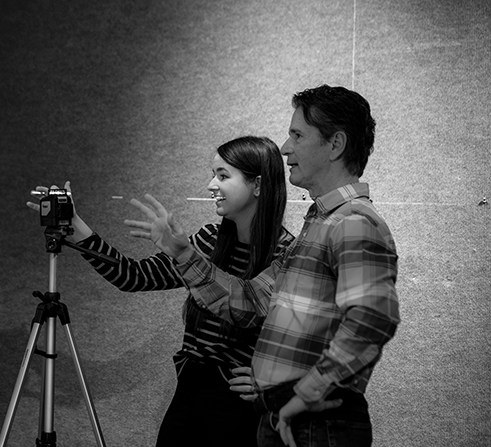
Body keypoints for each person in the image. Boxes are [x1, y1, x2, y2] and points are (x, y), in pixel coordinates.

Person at [125, 85, 400, 447]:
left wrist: (305, 392)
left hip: (319, 424)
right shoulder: (320, 223)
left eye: (297, 135)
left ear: (335, 145)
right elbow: (250, 302)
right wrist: (181, 252)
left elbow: (372, 321)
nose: (285, 147)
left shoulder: (353, 222)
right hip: (284, 419)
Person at [27, 136, 294, 447]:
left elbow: (307, 337)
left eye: (223, 176)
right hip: (190, 389)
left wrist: (273, 380)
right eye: (213, 174)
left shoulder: (287, 254)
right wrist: (77, 225)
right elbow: (133, 276)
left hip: (237, 405)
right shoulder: (209, 239)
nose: (211, 185)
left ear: (258, 185)